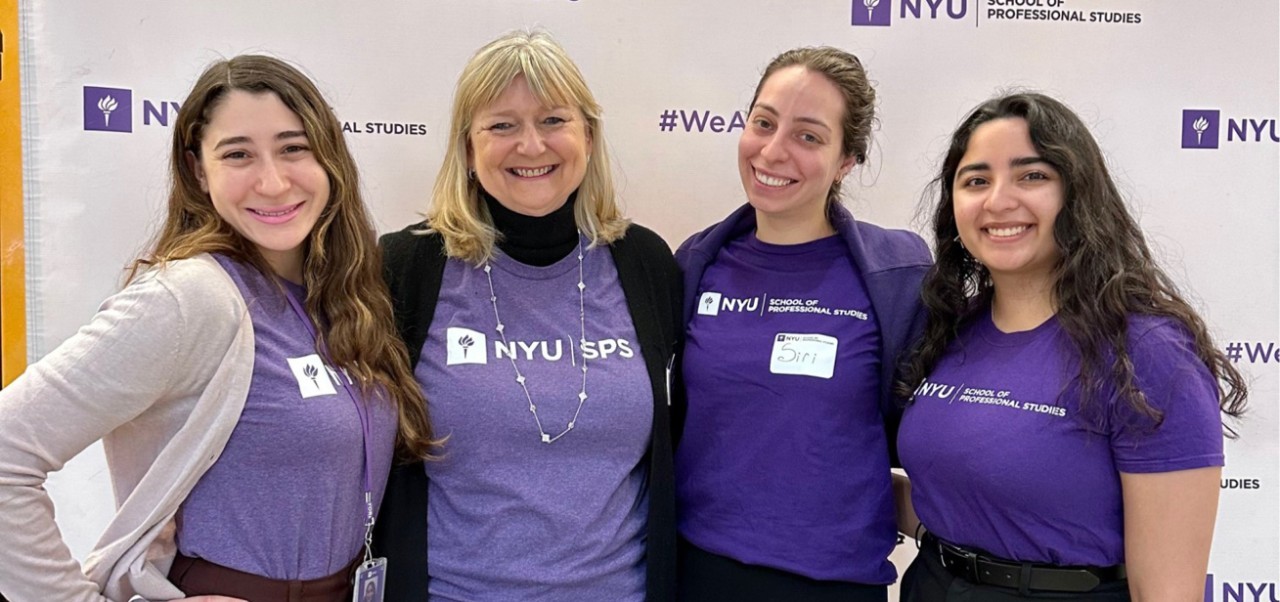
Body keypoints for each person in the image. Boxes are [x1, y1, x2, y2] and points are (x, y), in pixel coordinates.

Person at [0, 55, 436, 602]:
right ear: (199, 172)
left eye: (293, 147)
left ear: (330, 158)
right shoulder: (190, 298)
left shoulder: (345, 295)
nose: (273, 181)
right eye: (238, 154)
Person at [894, 92, 1247, 601]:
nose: (998, 200)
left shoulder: (1147, 351)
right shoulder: (949, 331)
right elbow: (976, 494)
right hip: (933, 584)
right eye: (976, 181)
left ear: (1077, 194)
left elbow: (1169, 592)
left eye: (1031, 175)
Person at [371, 30, 680, 602]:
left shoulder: (646, 263)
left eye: (553, 120)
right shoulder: (405, 267)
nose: (531, 146)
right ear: (467, 147)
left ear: (588, 135)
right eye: (502, 125)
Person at [673, 47, 931, 602]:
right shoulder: (695, 264)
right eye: (763, 123)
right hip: (697, 572)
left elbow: (929, 430)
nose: (773, 150)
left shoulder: (898, 278)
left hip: (835, 583)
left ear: (845, 161)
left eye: (809, 136)